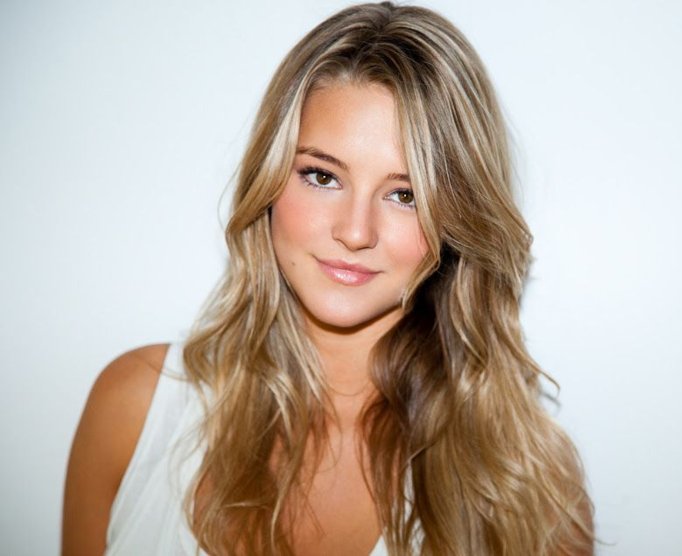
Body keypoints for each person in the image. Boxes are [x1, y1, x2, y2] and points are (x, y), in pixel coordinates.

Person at [62, 2, 594, 555]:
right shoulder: (136, 408)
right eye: (322, 176)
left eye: (405, 194)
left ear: (456, 220)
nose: (355, 232)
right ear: (268, 181)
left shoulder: (527, 487)